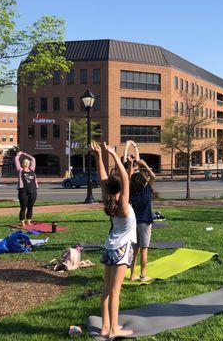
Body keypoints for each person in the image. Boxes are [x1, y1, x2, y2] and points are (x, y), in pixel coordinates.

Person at [91, 141, 136, 339]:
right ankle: (113, 330)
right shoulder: (123, 205)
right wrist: (115, 155)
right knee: (115, 293)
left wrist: (98, 156)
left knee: (106, 290)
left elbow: (102, 178)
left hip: (109, 247)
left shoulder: (108, 200)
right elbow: (125, 178)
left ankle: (104, 327)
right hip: (121, 249)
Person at [128, 158, 156, 282]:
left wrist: (131, 168)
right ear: (144, 182)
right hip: (145, 223)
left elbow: (129, 180)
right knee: (144, 249)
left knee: (135, 250)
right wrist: (145, 165)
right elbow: (153, 176)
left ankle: (132, 274)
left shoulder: (132, 193)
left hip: (135, 223)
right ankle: (143, 275)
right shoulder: (146, 190)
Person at [15, 151, 38, 227]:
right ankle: (22, 223)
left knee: (30, 207)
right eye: (25, 163)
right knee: (23, 208)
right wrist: (19, 154)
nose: (27, 164)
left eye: (28, 163)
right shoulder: (20, 170)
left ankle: (28, 221)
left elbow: (33, 159)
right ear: (22, 164)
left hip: (33, 191)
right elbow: (16, 158)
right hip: (23, 192)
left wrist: (25, 154)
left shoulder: (32, 169)